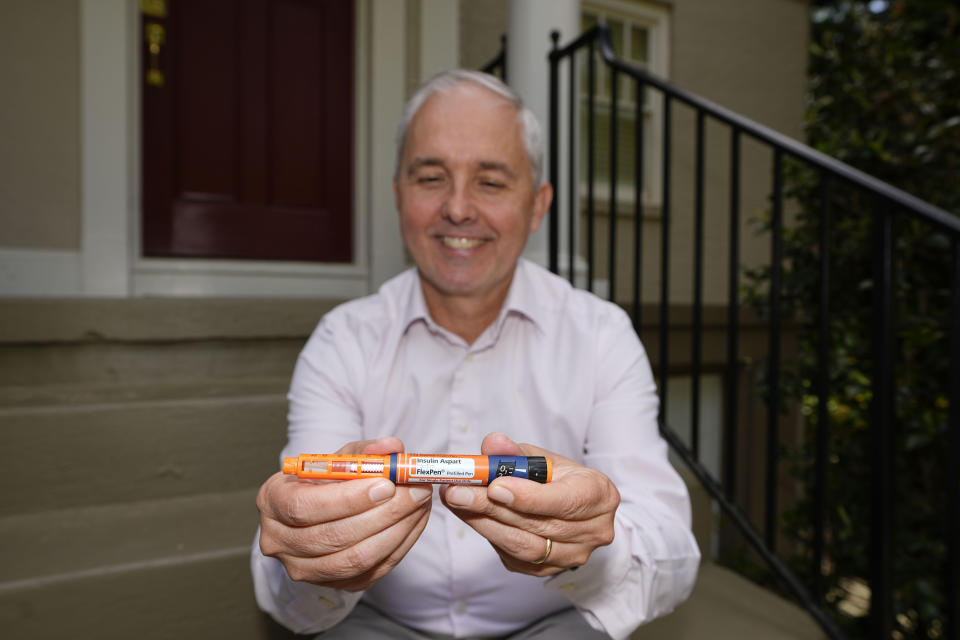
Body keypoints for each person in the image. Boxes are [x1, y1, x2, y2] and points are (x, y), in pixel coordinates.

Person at [252, 69, 700, 640]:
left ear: (538, 207)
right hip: (371, 623)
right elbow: (281, 586)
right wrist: (316, 554)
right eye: (431, 177)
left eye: (490, 182)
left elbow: (673, 552)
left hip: (556, 623)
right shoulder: (342, 340)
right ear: (398, 195)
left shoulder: (602, 335)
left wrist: (594, 543)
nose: (458, 209)